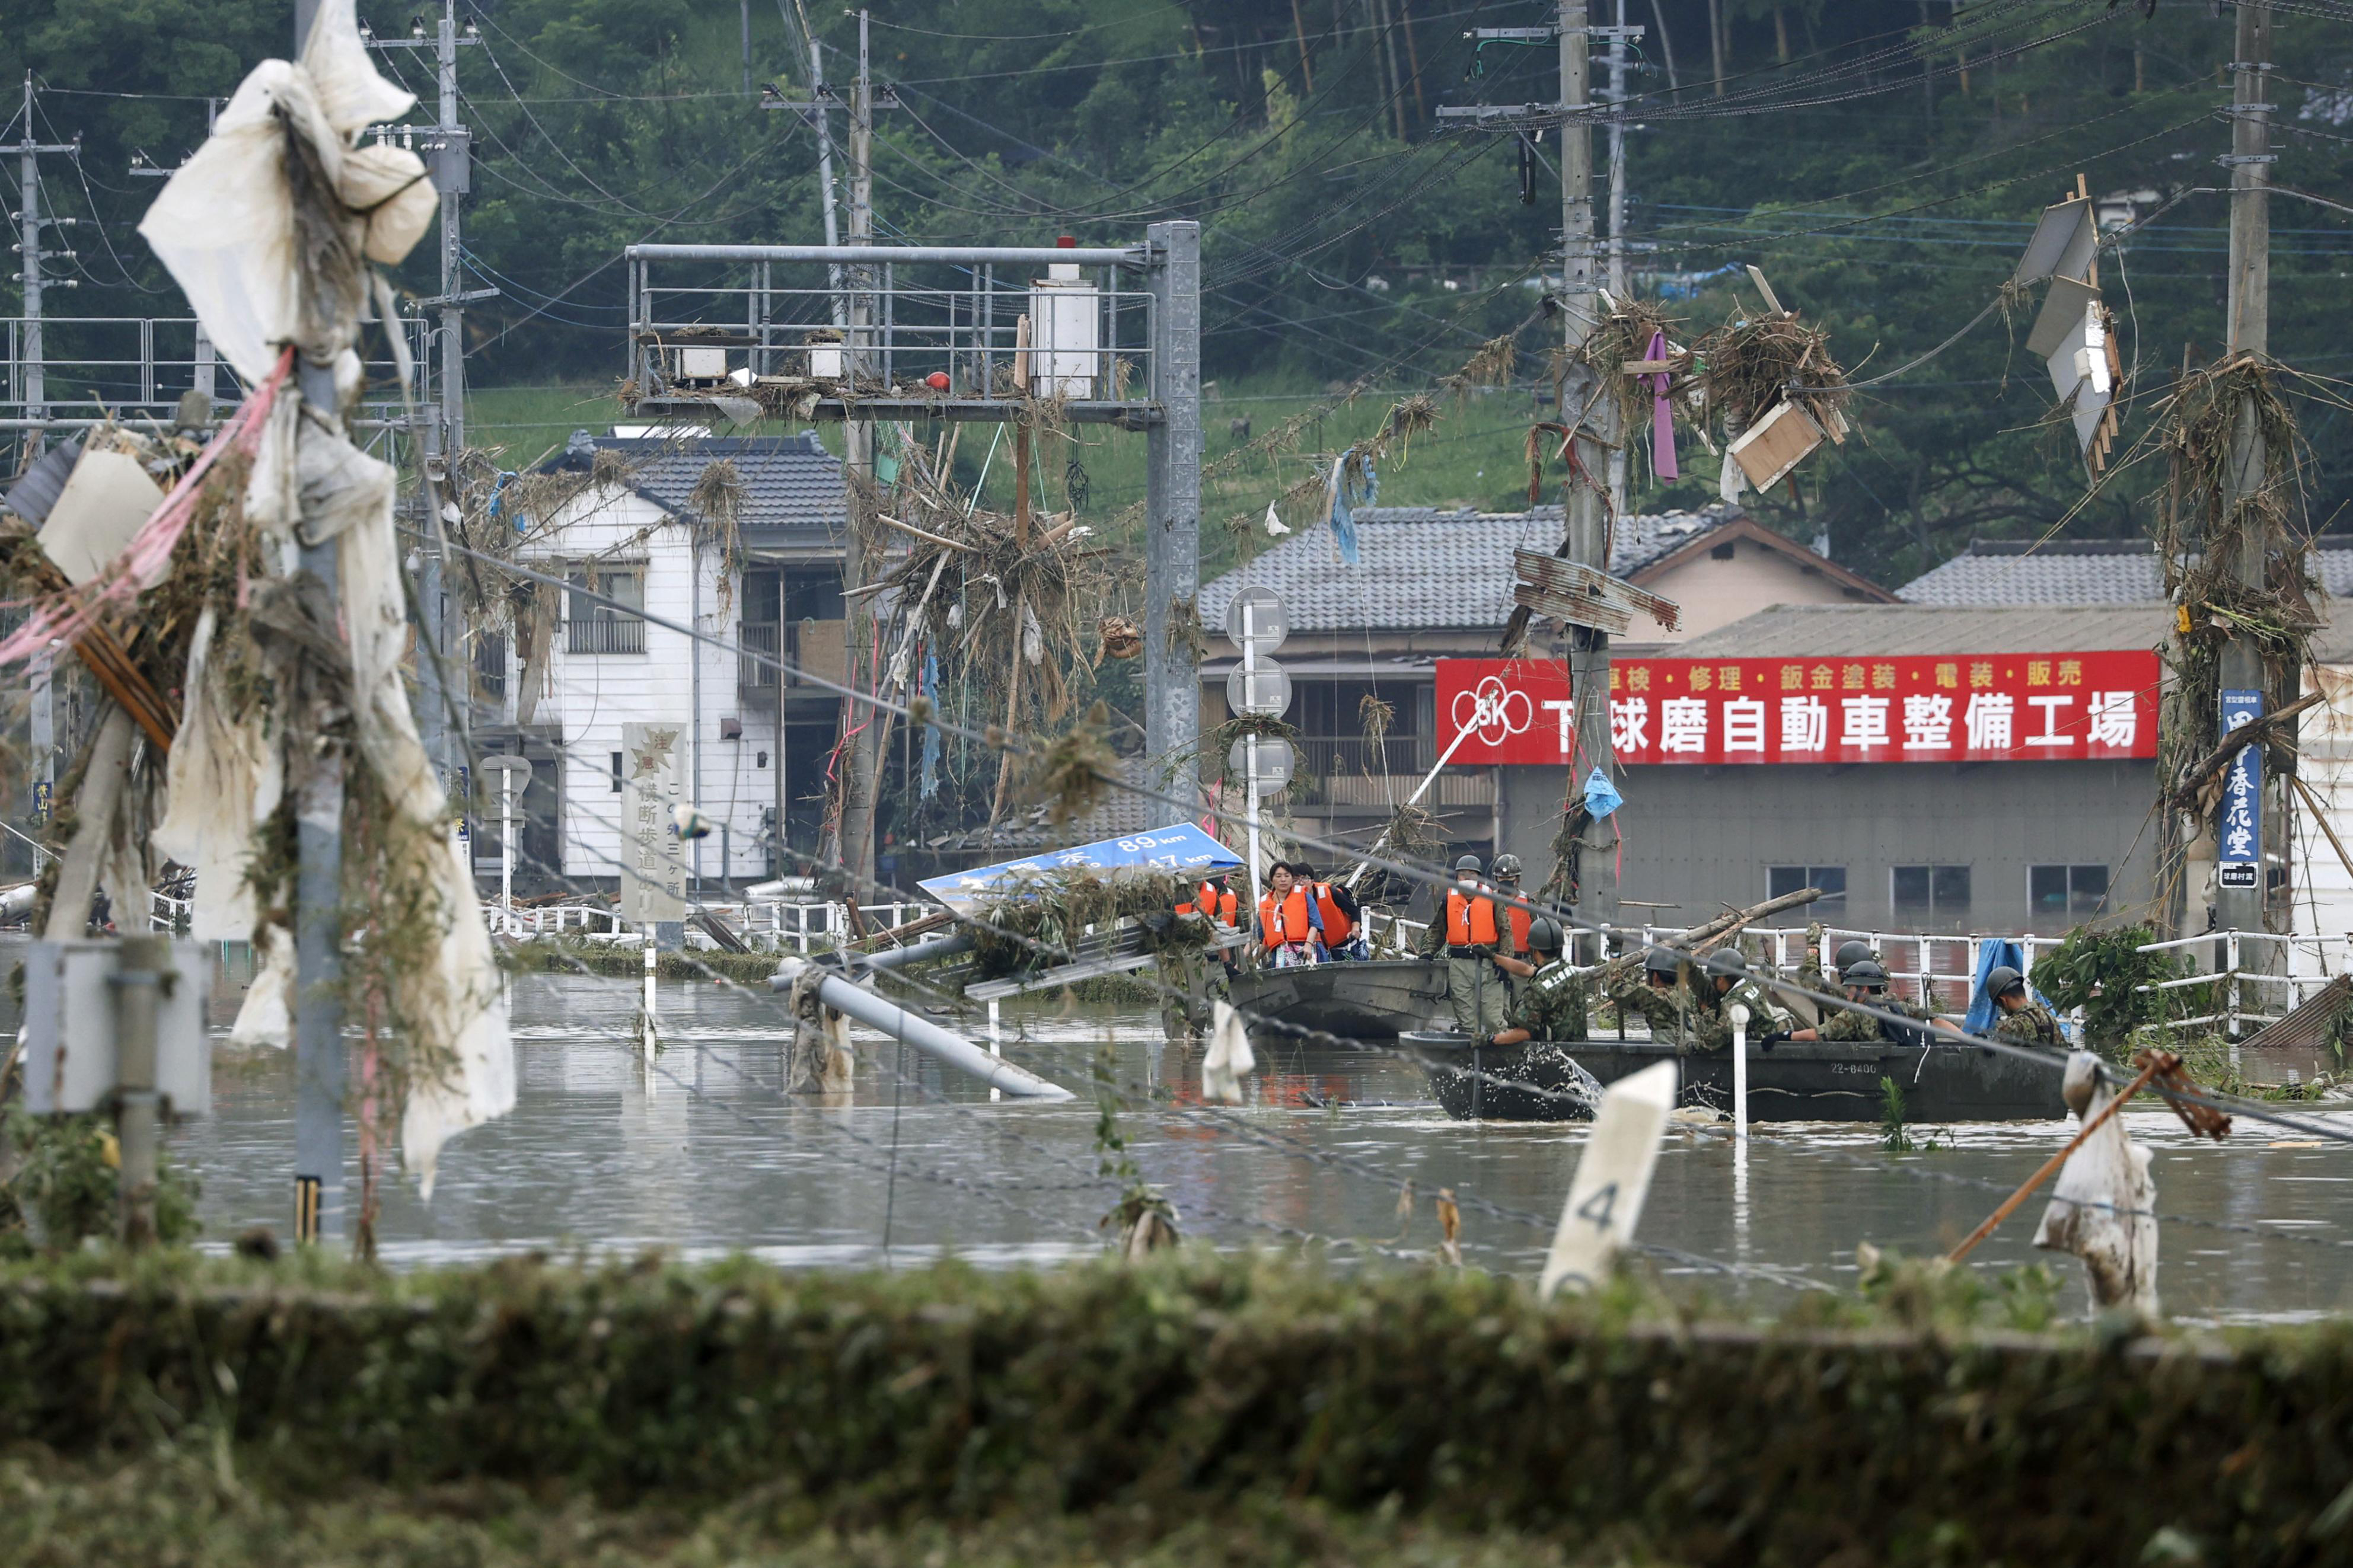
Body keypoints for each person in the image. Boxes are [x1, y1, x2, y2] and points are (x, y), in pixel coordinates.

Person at [1426, 854, 1509, 1039]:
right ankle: (1471, 1056)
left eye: (1472, 874)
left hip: (1488, 965)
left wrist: (1504, 962)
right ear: (1457, 878)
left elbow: (1505, 931)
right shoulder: (1449, 899)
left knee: (1493, 1019)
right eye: (1463, 875)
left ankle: (1504, 1053)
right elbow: (1437, 930)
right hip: (1459, 966)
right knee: (1467, 1021)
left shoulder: (1493, 898)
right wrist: (1427, 952)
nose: (1467, 879)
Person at [1771, 959, 1935, 1048]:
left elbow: (1820, 1035)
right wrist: (1962, 1040)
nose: (1848, 995)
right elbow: (1934, 1018)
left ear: (1863, 990)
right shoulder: (1898, 1006)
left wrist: (1786, 1036)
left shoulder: (1855, 1012)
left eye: (1850, 989)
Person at [1487, 916, 1587, 1046]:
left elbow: (1524, 1033)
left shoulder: (1537, 990)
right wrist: (1493, 956)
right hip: (1579, 1047)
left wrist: (1490, 1040)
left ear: (1534, 949)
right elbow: (1527, 970)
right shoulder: (1569, 972)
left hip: (1556, 1054)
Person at [1692, 948, 1791, 1053]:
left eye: (1713, 979)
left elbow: (1720, 1036)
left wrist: (1693, 1046)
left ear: (1721, 979)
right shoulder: (1747, 986)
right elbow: (1708, 992)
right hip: (1767, 1039)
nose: (1712, 983)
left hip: (1759, 1051)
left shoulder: (1734, 1003)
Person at [1608, 944, 1704, 1049]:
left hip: (1669, 1057)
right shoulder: (1687, 995)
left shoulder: (1655, 997)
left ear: (1655, 976)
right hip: (1690, 1049)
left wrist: (1614, 957)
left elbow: (1616, 990)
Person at [1292, 860, 1366, 961]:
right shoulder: (1291, 902)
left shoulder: (1330, 892)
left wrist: (1356, 928)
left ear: (1312, 881)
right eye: (1296, 880)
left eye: (1305, 878)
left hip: (1350, 944)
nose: (1301, 883)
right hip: (1323, 951)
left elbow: (1354, 910)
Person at [1257, 861, 1325, 967]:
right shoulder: (1265, 904)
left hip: (1309, 948)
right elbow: (1258, 937)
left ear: (1292, 879)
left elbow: (1315, 924)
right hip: (1281, 952)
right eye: (1278, 876)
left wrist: (1308, 944)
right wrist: (1249, 962)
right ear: (1272, 880)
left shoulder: (1305, 897)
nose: (1283, 880)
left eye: (1287, 876)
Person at [1489, 853, 1533, 1006]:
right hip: (1495, 964)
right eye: (1502, 879)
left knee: (1521, 1008)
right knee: (1496, 1008)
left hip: (1521, 963)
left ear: (1518, 879)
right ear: (1496, 879)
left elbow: (1538, 932)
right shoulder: (1487, 900)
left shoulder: (1528, 902)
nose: (1506, 882)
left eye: (1510, 879)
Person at [1984, 963, 2064, 1049]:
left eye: (1999, 1004)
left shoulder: (2013, 1025)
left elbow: (1993, 1053)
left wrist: (1982, 1041)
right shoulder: (2050, 1018)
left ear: (2003, 1000)